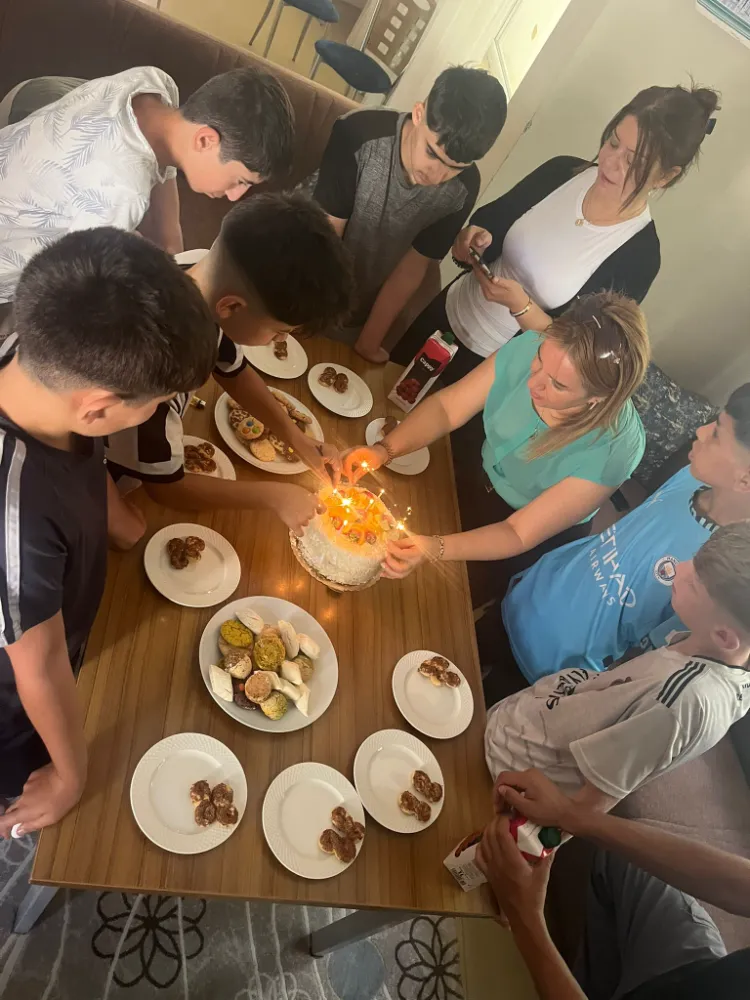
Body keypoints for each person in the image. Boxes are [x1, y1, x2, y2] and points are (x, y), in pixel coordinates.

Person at [0, 228, 218, 835]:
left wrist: (116, 518)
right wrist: (69, 777)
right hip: (19, 697)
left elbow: (77, 451)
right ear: (97, 406)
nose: (157, 411)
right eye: (156, 402)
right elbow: (40, 667)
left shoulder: (31, 356)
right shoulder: (14, 516)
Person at [391, 83, 719, 381]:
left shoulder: (640, 257)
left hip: (494, 376)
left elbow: (580, 352)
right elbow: (493, 220)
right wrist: (474, 239)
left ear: (665, 177)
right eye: (613, 142)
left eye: (633, 162)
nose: (610, 162)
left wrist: (523, 308)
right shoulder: (562, 171)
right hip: (444, 319)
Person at [344, 293, 648, 602]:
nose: (533, 383)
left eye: (558, 385)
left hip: (518, 528)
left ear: (597, 398)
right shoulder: (531, 346)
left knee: (437, 600)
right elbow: (448, 408)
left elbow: (516, 533)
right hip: (476, 472)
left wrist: (435, 547)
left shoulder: (614, 450)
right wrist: (384, 450)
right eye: (540, 359)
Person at [101, 192, 353, 534]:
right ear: (232, 307)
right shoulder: (156, 368)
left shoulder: (199, 276)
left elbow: (233, 371)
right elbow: (166, 488)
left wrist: (296, 438)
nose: (279, 342)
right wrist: (274, 496)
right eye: (279, 332)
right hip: (113, 481)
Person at [484, 523, 750, 812]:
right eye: (693, 559)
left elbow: (593, 801)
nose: (680, 568)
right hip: (516, 729)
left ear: (724, 636)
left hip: (506, 771)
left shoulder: (681, 701)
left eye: (693, 584)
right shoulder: (710, 648)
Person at [501, 384, 750, 683]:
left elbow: (650, 658)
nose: (701, 431)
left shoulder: (725, 573)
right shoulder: (690, 476)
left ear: (746, 480)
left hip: (550, 672)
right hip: (529, 594)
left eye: (717, 433)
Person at [0, 66, 295, 304]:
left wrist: (171, 254)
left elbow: (164, 212)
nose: (235, 196)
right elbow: (69, 293)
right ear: (206, 140)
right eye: (241, 181)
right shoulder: (122, 193)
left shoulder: (154, 83)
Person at [312, 66, 507, 362]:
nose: (437, 175)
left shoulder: (464, 188)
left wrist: (369, 342)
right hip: (306, 266)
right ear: (418, 114)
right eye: (431, 153)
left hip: (360, 299)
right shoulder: (358, 132)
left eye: (455, 168)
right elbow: (325, 234)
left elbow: (414, 266)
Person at [477, 808, 750, 1000]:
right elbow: (739, 885)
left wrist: (525, 917)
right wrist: (569, 814)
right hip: (696, 971)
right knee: (623, 856)